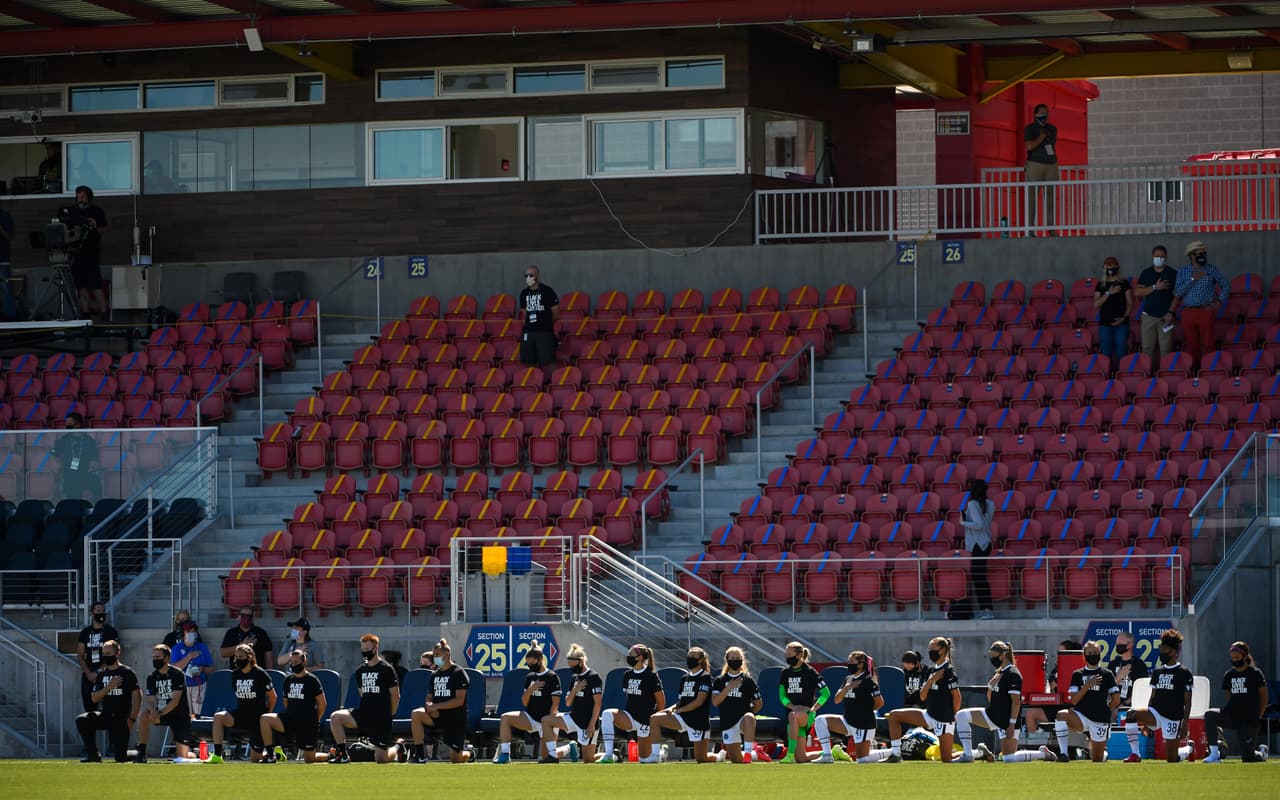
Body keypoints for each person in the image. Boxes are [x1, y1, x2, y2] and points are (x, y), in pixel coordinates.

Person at [955, 641, 1038, 762]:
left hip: (1006, 720)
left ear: (1003, 655)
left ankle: (1042, 754)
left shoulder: (1013, 674)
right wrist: (990, 686)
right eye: (991, 656)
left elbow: (1016, 702)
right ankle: (969, 755)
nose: (992, 659)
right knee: (961, 715)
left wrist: (1011, 724)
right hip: (993, 715)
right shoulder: (998, 673)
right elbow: (990, 698)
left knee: (1009, 758)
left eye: (994, 656)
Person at [883, 636, 961, 763]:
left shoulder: (948, 671)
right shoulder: (931, 670)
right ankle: (896, 754)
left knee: (947, 759)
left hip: (944, 718)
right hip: (929, 714)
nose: (930, 651)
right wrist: (930, 681)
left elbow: (957, 697)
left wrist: (952, 716)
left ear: (941, 650)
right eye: (929, 648)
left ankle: (976, 753)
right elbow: (923, 696)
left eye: (932, 649)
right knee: (894, 716)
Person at [1124, 628, 1196, 763]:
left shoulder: (1184, 672)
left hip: (1173, 716)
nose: (1161, 653)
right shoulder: (1158, 672)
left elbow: (1188, 702)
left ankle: (1189, 749)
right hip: (1156, 712)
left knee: (1172, 759)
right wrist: (1146, 722)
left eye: (1164, 650)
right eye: (1160, 649)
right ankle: (1135, 754)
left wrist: (1185, 724)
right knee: (1131, 714)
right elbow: (1153, 696)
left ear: (1174, 652)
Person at [331, 633, 402, 764]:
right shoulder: (360, 671)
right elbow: (362, 694)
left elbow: (396, 696)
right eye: (363, 649)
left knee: (381, 759)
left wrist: (389, 715)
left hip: (381, 716)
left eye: (367, 649)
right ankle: (343, 754)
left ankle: (398, 747)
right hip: (364, 714)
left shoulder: (386, 669)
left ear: (375, 648)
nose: (364, 652)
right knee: (336, 717)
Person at [1052, 639, 1120, 762]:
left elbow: (1116, 700)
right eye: (1089, 652)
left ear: (1100, 653)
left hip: (1100, 719)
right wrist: (1088, 685)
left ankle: (1102, 753)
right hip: (1081, 716)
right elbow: (1074, 701)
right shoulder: (1077, 674)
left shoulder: (1107, 674)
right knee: (1061, 715)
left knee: (1097, 759)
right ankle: (1063, 754)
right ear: (1084, 655)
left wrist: (1104, 710)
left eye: (1095, 652)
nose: (1092, 655)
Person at [207, 643, 277, 763]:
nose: (237, 660)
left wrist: (266, 715)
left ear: (249, 657)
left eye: (240, 657)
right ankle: (217, 755)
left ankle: (274, 750)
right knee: (218, 717)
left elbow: (273, 696)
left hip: (257, 717)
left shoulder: (260, 673)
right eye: (236, 657)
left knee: (255, 760)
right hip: (241, 714)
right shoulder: (235, 674)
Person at [494, 641, 561, 763]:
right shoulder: (530, 677)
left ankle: (569, 747)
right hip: (531, 717)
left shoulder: (552, 676)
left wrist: (549, 722)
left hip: (547, 720)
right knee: (505, 718)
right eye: (528, 664)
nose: (530, 666)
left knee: (547, 757)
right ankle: (505, 754)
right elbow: (524, 702)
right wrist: (530, 689)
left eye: (532, 663)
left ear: (540, 659)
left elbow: (556, 703)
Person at [813, 649, 884, 763]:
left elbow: (880, 702)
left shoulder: (868, 681)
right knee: (820, 720)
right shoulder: (848, 679)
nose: (849, 664)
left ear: (860, 664)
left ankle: (894, 751)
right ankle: (827, 755)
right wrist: (847, 687)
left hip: (863, 724)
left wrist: (865, 711)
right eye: (848, 661)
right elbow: (837, 699)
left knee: (863, 759)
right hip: (847, 721)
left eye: (852, 661)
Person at [1204, 640, 1270, 763]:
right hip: (1233, 716)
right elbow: (1229, 697)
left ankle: (1262, 752)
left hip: (1249, 719)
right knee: (1210, 714)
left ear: (1245, 656)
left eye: (1237, 657)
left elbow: (1264, 697)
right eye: (1232, 657)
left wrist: (1258, 716)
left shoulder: (1255, 673)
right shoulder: (1229, 675)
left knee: (1248, 758)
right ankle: (1214, 755)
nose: (1234, 660)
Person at [646, 646, 715, 763]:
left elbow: (699, 701)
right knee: (655, 719)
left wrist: (680, 710)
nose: (690, 658)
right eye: (689, 656)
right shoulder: (684, 678)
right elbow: (679, 701)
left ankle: (719, 756)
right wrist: (668, 710)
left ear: (700, 660)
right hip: (682, 718)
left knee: (701, 758)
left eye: (694, 656)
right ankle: (655, 755)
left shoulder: (705, 677)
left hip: (697, 721)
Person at [76, 639, 140, 763]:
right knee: (82, 720)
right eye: (104, 654)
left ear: (117, 653)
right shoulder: (101, 675)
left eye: (109, 654)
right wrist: (109, 687)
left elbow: (138, 695)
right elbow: (94, 697)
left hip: (121, 718)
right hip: (105, 715)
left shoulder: (127, 672)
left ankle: (138, 753)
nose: (106, 657)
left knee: (120, 758)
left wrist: (132, 718)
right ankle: (93, 754)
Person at [598, 643, 664, 763]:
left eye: (631, 654)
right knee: (607, 714)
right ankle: (608, 754)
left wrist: (653, 722)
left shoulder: (651, 675)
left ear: (639, 657)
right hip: (630, 717)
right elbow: (629, 696)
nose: (628, 657)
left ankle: (662, 752)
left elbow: (661, 701)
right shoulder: (627, 675)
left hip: (646, 721)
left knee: (643, 759)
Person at [409, 638, 470, 763]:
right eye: (434, 655)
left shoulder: (458, 673)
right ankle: (419, 755)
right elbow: (429, 698)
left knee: (456, 760)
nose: (435, 658)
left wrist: (437, 706)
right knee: (416, 714)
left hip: (455, 719)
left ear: (446, 654)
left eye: (437, 655)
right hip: (436, 717)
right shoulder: (434, 675)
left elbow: (459, 701)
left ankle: (468, 753)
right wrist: (430, 708)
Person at [261, 649, 329, 763]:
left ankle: (331, 755)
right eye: (291, 662)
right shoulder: (288, 680)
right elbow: (285, 701)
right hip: (291, 720)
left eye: (296, 662)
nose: (293, 665)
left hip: (307, 722)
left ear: (304, 662)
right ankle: (270, 755)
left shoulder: (312, 680)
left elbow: (322, 703)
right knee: (265, 719)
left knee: (309, 759)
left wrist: (314, 720)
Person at [540, 643, 603, 764]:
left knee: (588, 760)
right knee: (546, 720)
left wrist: (592, 724)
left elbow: (598, 703)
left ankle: (613, 754)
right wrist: (575, 690)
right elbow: (568, 703)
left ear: (581, 661)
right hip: (573, 718)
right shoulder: (574, 677)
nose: (572, 669)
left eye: (574, 666)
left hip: (587, 722)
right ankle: (553, 755)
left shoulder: (593, 677)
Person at [1174, 240, 1229, 369]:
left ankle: (1209, 369)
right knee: (1192, 344)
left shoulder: (1211, 269)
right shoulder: (1183, 271)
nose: (1201, 256)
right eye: (1198, 254)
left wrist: (1219, 301)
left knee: (1208, 343)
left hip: (1205, 311)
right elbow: (1177, 292)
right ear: (1191, 256)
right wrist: (1193, 279)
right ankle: (1194, 371)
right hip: (1188, 312)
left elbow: (1225, 285)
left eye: (1203, 253)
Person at [135, 643, 192, 762]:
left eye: (158, 657)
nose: (155, 660)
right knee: (144, 715)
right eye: (154, 657)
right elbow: (150, 700)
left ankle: (193, 753)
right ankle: (141, 752)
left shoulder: (177, 674)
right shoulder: (152, 677)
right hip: (161, 713)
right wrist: (153, 711)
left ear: (166, 658)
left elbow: (175, 701)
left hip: (179, 716)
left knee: (182, 757)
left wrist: (159, 713)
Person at [778, 641, 830, 763]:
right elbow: (782, 696)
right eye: (786, 654)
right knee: (801, 758)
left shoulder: (810, 672)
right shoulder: (785, 673)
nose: (787, 657)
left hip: (806, 715)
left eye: (790, 654)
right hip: (792, 715)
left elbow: (826, 693)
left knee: (793, 715)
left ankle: (790, 755)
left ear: (799, 655)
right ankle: (830, 752)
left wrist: (813, 708)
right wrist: (792, 706)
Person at [710, 645, 763, 763]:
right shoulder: (720, 680)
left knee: (749, 717)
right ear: (727, 660)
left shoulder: (748, 680)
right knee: (736, 759)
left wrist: (749, 715)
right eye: (732, 658)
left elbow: (758, 704)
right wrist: (729, 687)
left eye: (737, 657)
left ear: (742, 660)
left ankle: (749, 752)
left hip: (743, 720)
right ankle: (756, 753)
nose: (735, 660)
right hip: (727, 721)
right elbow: (715, 702)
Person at [1023, 639, 1083, 735]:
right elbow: (1050, 686)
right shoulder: (1055, 670)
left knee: (1070, 714)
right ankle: (1032, 743)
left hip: (1070, 707)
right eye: (1058, 652)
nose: (1058, 655)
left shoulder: (1079, 670)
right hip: (1053, 706)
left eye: (1062, 652)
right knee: (1030, 713)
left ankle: (1070, 745)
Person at [67, 185, 109, 317]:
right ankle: (85, 312)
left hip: (91, 253)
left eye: (83, 197)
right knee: (81, 286)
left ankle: (103, 312)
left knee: (96, 284)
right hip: (76, 253)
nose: (80, 200)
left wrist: (95, 225)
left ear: (89, 197)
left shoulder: (97, 211)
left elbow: (104, 230)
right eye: (78, 197)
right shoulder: (72, 212)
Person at [1135, 244, 1179, 362]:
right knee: (1147, 348)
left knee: (1166, 349)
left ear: (1166, 257)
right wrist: (1155, 287)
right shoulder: (1146, 273)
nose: (1159, 258)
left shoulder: (1172, 273)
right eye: (1157, 256)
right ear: (1152, 256)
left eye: (1162, 256)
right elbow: (1137, 291)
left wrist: (1170, 312)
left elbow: (1177, 296)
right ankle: (1148, 377)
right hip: (1148, 316)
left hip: (1166, 317)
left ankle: (1165, 377)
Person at [960, 477, 996, 620]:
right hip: (985, 543)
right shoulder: (990, 504)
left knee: (979, 577)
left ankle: (987, 610)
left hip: (978, 544)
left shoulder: (973, 504)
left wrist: (964, 522)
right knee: (979, 577)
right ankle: (984, 609)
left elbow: (978, 525)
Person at [77, 600, 120, 713]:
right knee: (89, 710)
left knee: (109, 708)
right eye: (98, 610)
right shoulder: (85, 632)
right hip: (89, 676)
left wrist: (99, 671)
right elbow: (80, 655)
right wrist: (89, 673)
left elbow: (116, 653)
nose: (101, 613)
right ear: (92, 613)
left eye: (103, 611)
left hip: (107, 674)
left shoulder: (110, 631)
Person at [1023, 103, 1059, 232]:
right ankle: (1031, 230)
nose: (1044, 116)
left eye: (1046, 113)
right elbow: (1030, 146)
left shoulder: (1052, 129)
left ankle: (1051, 229)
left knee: (1050, 198)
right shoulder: (1030, 129)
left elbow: (1051, 143)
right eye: (1041, 113)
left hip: (1051, 165)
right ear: (1035, 114)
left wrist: (1043, 138)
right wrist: (1041, 137)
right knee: (1032, 197)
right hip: (1035, 164)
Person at [1094, 256, 1134, 371]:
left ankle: (1122, 377)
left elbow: (1130, 303)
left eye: (1113, 265)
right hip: (1105, 324)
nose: (1111, 268)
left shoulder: (1124, 283)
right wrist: (1108, 293)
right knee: (1106, 354)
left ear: (1117, 267)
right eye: (1108, 266)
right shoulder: (1100, 285)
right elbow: (1096, 304)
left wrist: (1124, 318)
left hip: (1121, 323)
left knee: (1121, 351)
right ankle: (1108, 379)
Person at [170, 619, 215, 714]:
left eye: (193, 631)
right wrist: (189, 656)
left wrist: (202, 669)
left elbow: (211, 669)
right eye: (188, 631)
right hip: (182, 688)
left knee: (199, 716)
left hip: (199, 686)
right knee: (184, 716)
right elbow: (174, 668)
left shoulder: (202, 647)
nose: (191, 633)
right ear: (183, 633)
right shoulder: (176, 648)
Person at [519, 265, 559, 368]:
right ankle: (531, 382)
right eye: (526, 275)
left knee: (549, 361)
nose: (528, 278)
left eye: (531, 275)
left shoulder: (547, 291)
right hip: (529, 332)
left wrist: (547, 324)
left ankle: (555, 383)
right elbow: (524, 313)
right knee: (528, 361)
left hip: (544, 332)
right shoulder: (523, 293)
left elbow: (555, 312)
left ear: (537, 276)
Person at [54, 413, 100, 501]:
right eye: (66, 424)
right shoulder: (64, 439)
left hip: (85, 474)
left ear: (78, 424)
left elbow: (94, 460)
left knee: (95, 482)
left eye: (69, 424)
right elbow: (55, 453)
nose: (66, 426)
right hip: (68, 474)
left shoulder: (89, 441)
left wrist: (91, 467)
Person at [220, 605, 273, 669]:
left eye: (249, 616)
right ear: (238, 617)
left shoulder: (261, 633)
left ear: (253, 618)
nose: (246, 619)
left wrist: (270, 672)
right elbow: (223, 653)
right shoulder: (231, 632)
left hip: (257, 673)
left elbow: (268, 654)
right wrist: (242, 645)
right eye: (243, 616)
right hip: (237, 673)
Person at [1108, 629, 1149, 709]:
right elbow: (1106, 688)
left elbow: (1141, 691)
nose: (1118, 645)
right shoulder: (1113, 664)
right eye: (1117, 643)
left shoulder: (1139, 665)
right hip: (1112, 706)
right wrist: (1118, 678)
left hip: (1131, 709)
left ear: (1129, 645)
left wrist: (1124, 705)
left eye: (1120, 643)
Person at [0, 200, 14, 320]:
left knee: (5, 289)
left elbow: (10, 236)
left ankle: (9, 318)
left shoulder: (4, 215)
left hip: (2, 259)